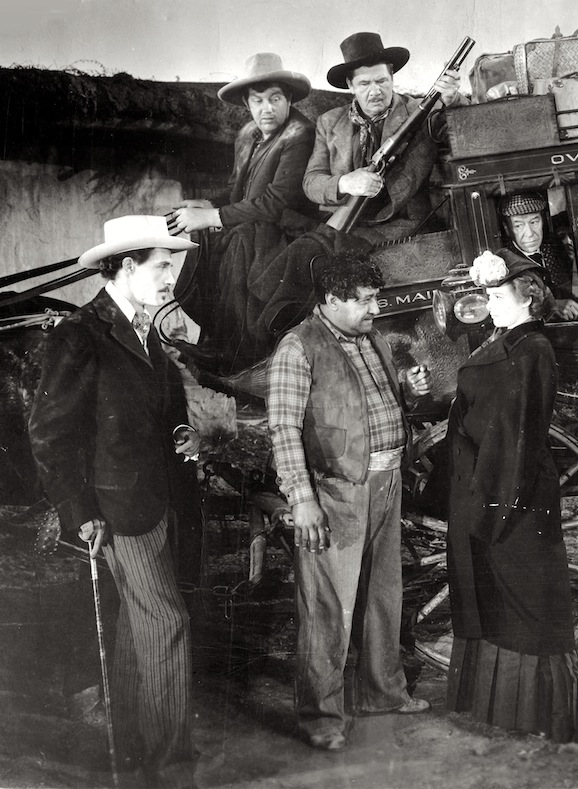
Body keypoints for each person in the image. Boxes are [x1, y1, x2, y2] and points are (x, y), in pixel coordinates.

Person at [28, 215, 202, 787]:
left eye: (172, 267)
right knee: (166, 623)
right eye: (162, 267)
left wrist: (182, 436)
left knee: (137, 628)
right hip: (116, 512)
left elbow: (148, 413)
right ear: (126, 266)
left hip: (155, 500)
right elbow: (51, 434)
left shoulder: (145, 329)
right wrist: (79, 513)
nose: (170, 279)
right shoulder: (79, 335)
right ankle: (173, 769)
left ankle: (131, 747)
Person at [443, 247, 578, 742]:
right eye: (490, 295)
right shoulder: (504, 339)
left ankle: (548, 712)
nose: (491, 304)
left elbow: (518, 433)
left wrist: (494, 505)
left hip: (510, 490)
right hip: (486, 481)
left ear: (529, 299)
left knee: (527, 599)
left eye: (499, 296)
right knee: (496, 595)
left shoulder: (531, 349)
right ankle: (501, 708)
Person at [267, 249, 433, 751]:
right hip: (336, 492)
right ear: (332, 299)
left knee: (384, 597)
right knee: (327, 609)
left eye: (375, 299)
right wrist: (302, 498)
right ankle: (320, 716)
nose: (374, 310)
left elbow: (373, 406)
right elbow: (283, 427)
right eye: (363, 301)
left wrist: (412, 391)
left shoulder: (372, 339)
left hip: (385, 484)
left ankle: (383, 693)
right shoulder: (298, 347)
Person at [169, 52, 317, 373]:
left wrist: (214, 217)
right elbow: (237, 189)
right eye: (258, 100)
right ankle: (217, 341)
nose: (267, 108)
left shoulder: (299, 135)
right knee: (207, 242)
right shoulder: (248, 135)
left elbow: (277, 202)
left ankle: (246, 355)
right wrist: (207, 205)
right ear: (247, 104)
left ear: (288, 99)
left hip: (290, 229)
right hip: (257, 221)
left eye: (275, 98)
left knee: (241, 242)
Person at [302, 32, 463, 245]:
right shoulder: (329, 121)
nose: (375, 91)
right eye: (364, 84)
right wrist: (345, 183)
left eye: (381, 81)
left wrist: (453, 101)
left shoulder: (420, 112)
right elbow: (311, 181)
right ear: (350, 85)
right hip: (348, 224)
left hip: (406, 226)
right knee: (302, 253)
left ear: (392, 77)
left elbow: (463, 135)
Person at [498, 192, 578, 320]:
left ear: (544, 221)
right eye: (519, 226)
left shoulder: (553, 244)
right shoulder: (504, 261)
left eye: (534, 222)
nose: (530, 234)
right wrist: (554, 305)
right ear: (507, 228)